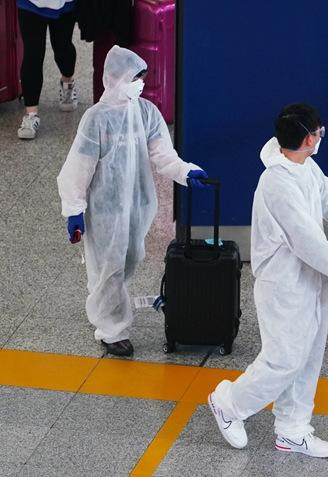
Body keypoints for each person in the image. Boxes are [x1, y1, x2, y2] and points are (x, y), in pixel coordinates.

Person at [208, 104, 328, 458]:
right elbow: (311, 245)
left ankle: (292, 429)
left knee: (308, 357)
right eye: (319, 133)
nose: (321, 137)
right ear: (309, 138)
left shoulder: (306, 167)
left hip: (311, 281)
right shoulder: (277, 184)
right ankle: (230, 403)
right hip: (283, 287)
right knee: (284, 360)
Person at [56, 46, 209, 357]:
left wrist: (185, 171)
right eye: (135, 78)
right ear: (116, 78)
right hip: (104, 210)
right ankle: (111, 331)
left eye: (142, 78)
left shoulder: (146, 112)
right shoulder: (96, 119)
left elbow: (163, 155)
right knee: (109, 268)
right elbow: (78, 168)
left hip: (137, 207)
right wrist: (74, 210)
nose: (140, 84)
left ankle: (106, 305)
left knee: (125, 263)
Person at [16, 0, 79, 140]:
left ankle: (67, 81)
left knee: (63, 48)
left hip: (64, 4)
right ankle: (31, 115)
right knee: (33, 52)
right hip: (30, 3)